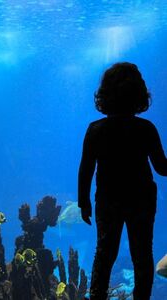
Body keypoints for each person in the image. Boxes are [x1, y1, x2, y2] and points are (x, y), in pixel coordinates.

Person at [78, 62, 167, 300]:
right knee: (143, 257)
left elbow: (86, 169)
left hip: (108, 201)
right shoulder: (146, 128)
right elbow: (162, 168)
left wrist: (83, 202)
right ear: (139, 94)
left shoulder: (95, 130)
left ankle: (97, 297)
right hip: (142, 201)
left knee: (104, 255)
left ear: (104, 95)